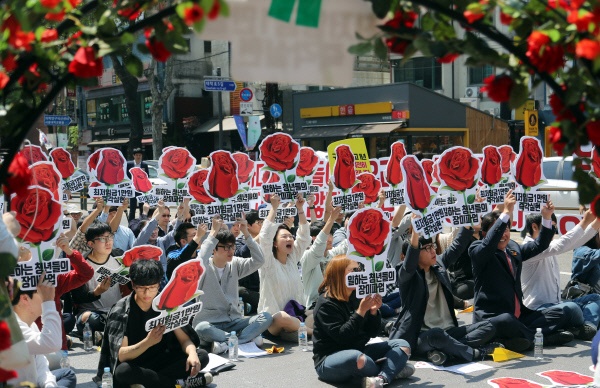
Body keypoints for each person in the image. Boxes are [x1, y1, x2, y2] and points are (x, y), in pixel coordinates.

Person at [469, 190, 574, 349]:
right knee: (506, 321)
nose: (503, 234)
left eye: (506, 230)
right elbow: (488, 245)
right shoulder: (477, 250)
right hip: (494, 318)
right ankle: (542, 338)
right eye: (498, 230)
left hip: (519, 315)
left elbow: (540, 245)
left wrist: (546, 217)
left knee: (560, 312)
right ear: (485, 234)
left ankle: (519, 337)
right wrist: (505, 213)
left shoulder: (513, 247)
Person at [389, 223, 501, 365]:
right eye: (427, 248)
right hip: (421, 335)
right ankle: (474, 353)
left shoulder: (438, 264)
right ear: (415, 254)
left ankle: (447, 350)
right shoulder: (406, 275)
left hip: (448, 330)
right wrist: (415, 235)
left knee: (488, 327)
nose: (433, 251)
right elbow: (409, 264)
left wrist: (468, 223)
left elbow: (457, 246)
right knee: (437, 335)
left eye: (432, 246)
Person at [96, 259, 211, 388]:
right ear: (133, 285)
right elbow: (122, 355)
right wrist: (148, 342)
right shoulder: (121, 310)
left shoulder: (165, 304)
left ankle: (151, 382)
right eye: (142, 288)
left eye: (152, 288)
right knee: (123, 371)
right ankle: (178, 383)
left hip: (162, 360)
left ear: (159, 284)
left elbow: (185, 340)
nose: (147, 293)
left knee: (202, 355)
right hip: (136, 364)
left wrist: (192, 354)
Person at [312, 255, 414, 386]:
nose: (358, 274)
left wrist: (373, 312)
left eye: (358, 270)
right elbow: (342, 337)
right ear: (339, 274)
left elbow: (373, 333)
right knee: (357, 359)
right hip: (330, 359)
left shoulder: (358, 295)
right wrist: (360, 312)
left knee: (402, 344)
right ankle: (391, 371)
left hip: (359, 349)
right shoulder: (326, 303)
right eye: (353, 270)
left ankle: (382, 377)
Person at [193, 215, 275, 354]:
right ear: (214, 248)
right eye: (225, 247)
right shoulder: (204, 266)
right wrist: (213, 233)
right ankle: (243, 339)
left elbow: (259, 260)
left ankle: (230, 343)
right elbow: (200, 259)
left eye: (232, 246)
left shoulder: (235, 263)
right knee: (201, 328)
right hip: (211, 324)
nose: (230, 251)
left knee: (266, 317)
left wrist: (247, 234)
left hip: (235, 322)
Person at [521, 210, 600, 340]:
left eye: (555, 228)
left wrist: (597, 220)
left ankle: (586, 327)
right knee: (572, 308)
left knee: (595, 298)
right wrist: (585, 221)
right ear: (534, 227)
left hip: (556, 304)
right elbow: (564, 243)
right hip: (538, 309)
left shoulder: (548, 245)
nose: (553, 232)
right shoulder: (528, 249)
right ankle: (563, 329)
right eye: (550, 227)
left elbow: (577, 241)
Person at [258, 193, 313, 338]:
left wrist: (300, 209)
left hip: (297, 316)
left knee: (319, 310)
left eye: (290, 236)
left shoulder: (292, 259)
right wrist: (274, 208)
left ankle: (299, 331)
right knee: (282, 317)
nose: (289, 238)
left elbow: (304, 238)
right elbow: (264, 237)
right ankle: (313, 333)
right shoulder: (267, 262)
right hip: (273, 323)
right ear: (275, 243)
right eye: (284, 237)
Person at [10, 274, 77, 388]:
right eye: (42, 291)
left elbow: (41, 367)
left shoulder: (30, 325)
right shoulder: (11, 327)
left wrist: (50, 385)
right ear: (25, 298)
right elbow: (53, 344)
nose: (52, 295)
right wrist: (48, 302)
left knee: (67, 374)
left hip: (32, 382)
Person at [32, 234, 94, 351]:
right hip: (27, 348)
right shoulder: (12, 281)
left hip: (56, 346)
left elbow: (86, 274)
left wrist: (69, 251)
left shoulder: (55, 279)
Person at [71, 222, 130, 338]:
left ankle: (104, 334)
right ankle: (113, 331)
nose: (108, 242)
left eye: (110, 237)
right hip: (94, 313)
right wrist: (96, 292)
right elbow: (77, 297)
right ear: (90, 243)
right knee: (90, 319)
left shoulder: (119, 256)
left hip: (117, 310)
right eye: (102, 239)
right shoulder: (82, 264)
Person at [301, 206, 347, 309]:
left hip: (337, 302)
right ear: (313, 238)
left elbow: (348, 243)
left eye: (330, 233)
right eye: (325, 235)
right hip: (315, 306)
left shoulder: (333, 253)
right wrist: (331, 219)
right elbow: (318, 246)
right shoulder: (308, 256)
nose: (330, 238)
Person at [236, 210, 263, 315]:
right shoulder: (239, 242)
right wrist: (261, 236)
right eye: (259, 222)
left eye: (263, 222)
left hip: (267, 285)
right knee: (240, 290)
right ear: (248, 226)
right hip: (250, 289)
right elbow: (243, 253)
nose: (262, 225)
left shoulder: (270, 242)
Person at [126, 147, 150, 221]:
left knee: (142, 207)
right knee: (132, 208)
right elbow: (126, 175)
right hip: (132, 189)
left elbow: (147, 176)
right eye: (137, 155)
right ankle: (131, 224)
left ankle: (141, 223)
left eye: (140, 155)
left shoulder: (144, 165)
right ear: (134, 156)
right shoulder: (129, 164)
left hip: (141, 190)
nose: (138, 157)